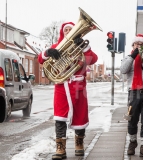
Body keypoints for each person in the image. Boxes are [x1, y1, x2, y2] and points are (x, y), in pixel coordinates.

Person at [38, 22, 98, 160]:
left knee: (80, 116)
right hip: (61, 86)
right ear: (62, 32)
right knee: (60, 117)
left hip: (78, 87)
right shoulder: (56, 46)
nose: (68, 31)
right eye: (66, 30)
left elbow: (93, 59)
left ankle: (79, 143)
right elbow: (41, 59)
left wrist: (84, 46)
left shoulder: (80, 45)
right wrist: (48, 52)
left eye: (71, 29)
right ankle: (60, 148)